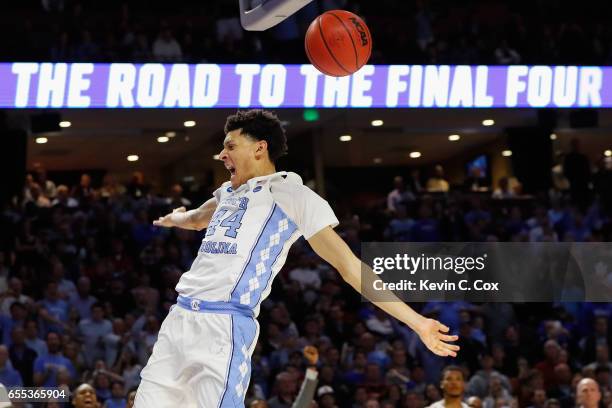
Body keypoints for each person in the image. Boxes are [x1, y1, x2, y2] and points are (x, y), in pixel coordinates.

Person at [134, 110, 458, 407]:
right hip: (179, 319)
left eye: (230, 146)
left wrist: (417, 322)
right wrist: (174, 219)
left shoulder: (290, 194)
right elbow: (197, 218)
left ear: (259, 148)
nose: (222, 154)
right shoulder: (227, 193)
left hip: (224, 326)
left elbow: (349, 266)